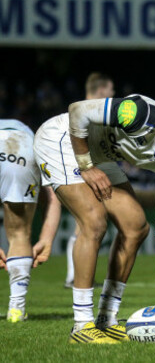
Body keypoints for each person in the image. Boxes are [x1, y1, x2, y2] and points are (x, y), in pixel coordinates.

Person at [33, 94, 155, 343]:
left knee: (136, 227)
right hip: (63, 142)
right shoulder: (142, 114)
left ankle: (106, 319)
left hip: (101, 156)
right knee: (94, 222)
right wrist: (86, 166)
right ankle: (81, 325)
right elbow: (77, 110)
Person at [1, 119, 61, 322]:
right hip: (19, 147)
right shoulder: (36, 140)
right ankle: (16, 310)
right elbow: (53, 196)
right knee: (19, 234)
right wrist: (46, 238)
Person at [64, 73, 115, 288]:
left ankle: (74, 276)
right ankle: (74, 277)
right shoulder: (87, 114)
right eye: (111, 90)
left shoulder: (79, 111)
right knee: (85, 224)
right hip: (78, 169)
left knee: (84, 224)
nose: (113, 94)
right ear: (101, 91)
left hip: (74, 168)